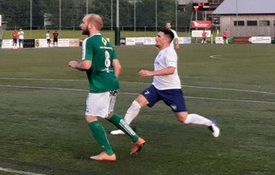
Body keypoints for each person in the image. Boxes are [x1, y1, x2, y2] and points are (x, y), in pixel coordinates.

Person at [110, 28, 219, 139]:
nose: (156, 38)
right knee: (136, 104)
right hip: (156, 88)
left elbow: (171, 70)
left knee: (183, 118)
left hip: (171, 90)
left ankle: (210, 123)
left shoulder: (170, 52)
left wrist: (150, 73)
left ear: (166, 40)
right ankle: (124, 128)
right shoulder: (162, 52)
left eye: (158, 36)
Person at [67, 14, 142, 161]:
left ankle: (108, 152)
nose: (80, 25)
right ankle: (136, 139)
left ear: (90, 25)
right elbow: (118, 66)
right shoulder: (107, 41)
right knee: (108, 114)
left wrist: (75, 64)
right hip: (112, 82)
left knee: (90, 117)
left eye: (83, 22)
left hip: (100, 85)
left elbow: (86, 65)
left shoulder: (89, 41)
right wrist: (111, 80)